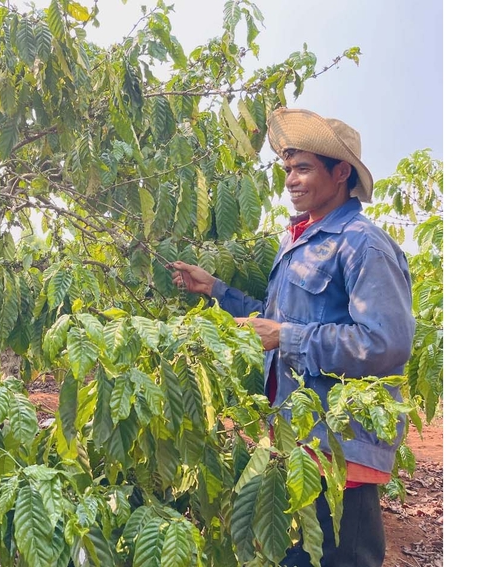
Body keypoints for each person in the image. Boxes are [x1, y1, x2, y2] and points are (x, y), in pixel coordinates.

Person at [170, 108, 415, 566]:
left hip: (340, 448)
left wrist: (287, 336)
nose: (291, 181)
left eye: (303, 168)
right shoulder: (298, 243)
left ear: (340, 173)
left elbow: (386, 343)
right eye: (287, 170)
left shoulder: (362, 243)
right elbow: (274, 322)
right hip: (292, 441)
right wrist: (214, 290)